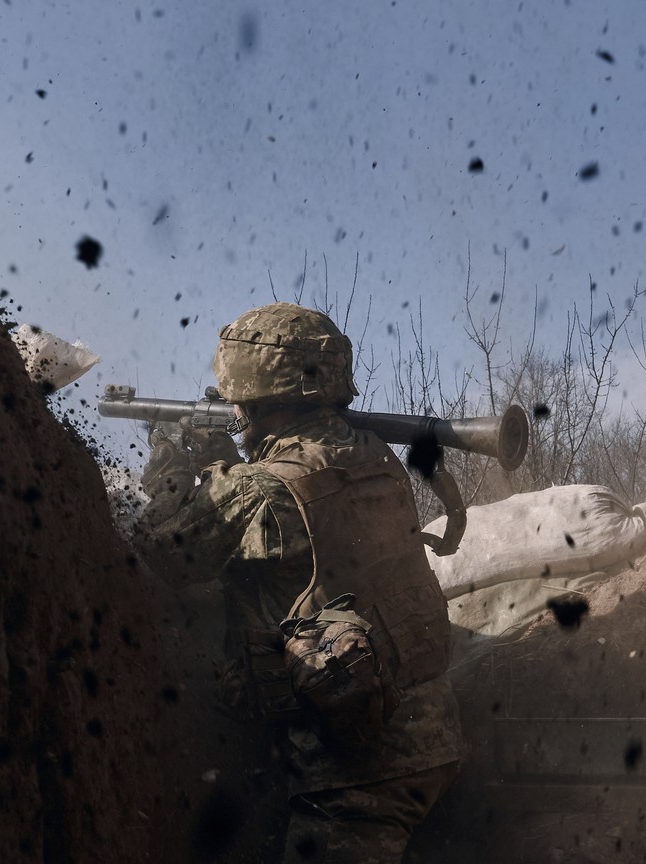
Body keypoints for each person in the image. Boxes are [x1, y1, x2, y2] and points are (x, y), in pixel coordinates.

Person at [134, 303, 461, 863]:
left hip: (355, 771)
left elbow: (164, 552)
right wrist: (224, 462)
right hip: (431, 732)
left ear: (257, 397)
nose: (233, 408)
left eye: (239, 400)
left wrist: (169, 463)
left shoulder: (258, 491)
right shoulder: (374, 455)